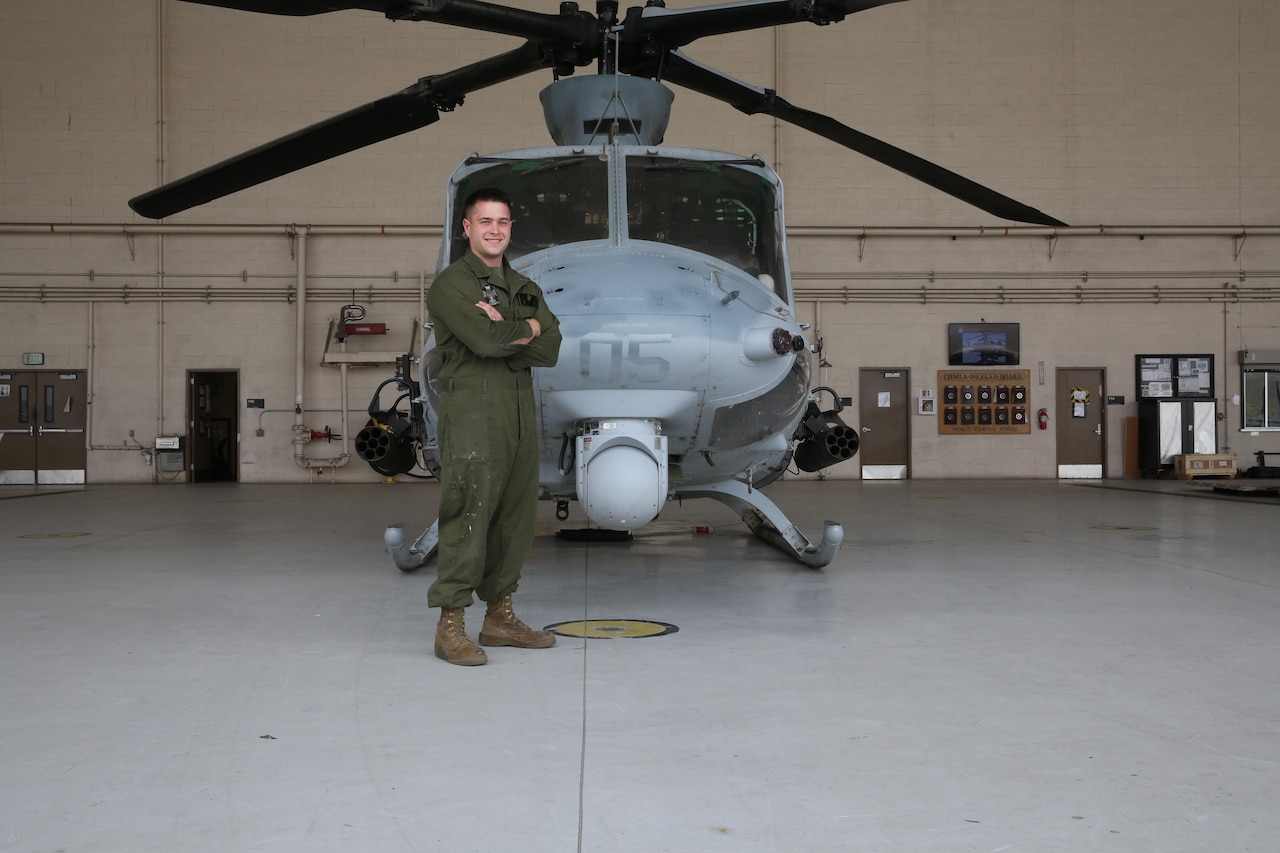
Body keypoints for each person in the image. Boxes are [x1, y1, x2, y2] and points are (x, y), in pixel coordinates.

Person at [424, 187, 563, 666]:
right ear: (467, 228)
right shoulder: (450, 285)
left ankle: (500, 617)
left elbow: (552, 349)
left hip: (520, 416)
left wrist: (509, 325)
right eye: (485, 222)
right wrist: (527, 328)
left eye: (502, 222)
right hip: (474, 418)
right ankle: (450, 625)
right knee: (469, 516)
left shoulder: (524, 286)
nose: (495, 230)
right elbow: (484, 344)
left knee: (515, 520)